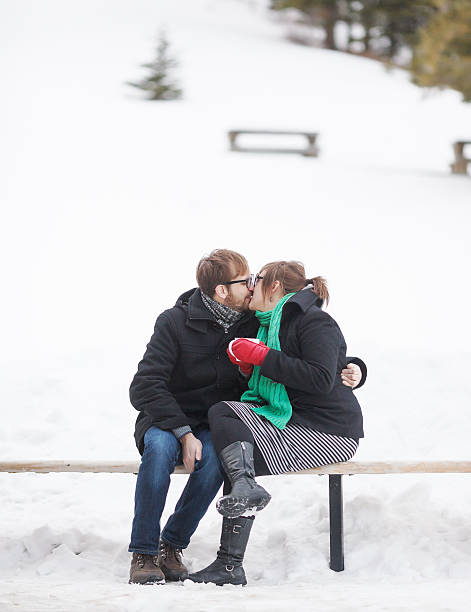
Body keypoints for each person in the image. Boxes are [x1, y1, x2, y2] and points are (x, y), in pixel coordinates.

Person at [128, 250, 365, 585]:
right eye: (246, 281)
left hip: (218, 424)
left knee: (219, 460)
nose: (252, 287)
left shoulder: (255, 320)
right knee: (158, 452)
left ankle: (175, 547)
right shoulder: (175, 322)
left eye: (257, 279)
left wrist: (355, 366)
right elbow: (144, 386)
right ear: (223, 291)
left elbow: (313, 353)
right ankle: (143, 552)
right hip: (169, 419)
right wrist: (182, 431)